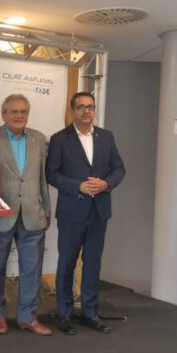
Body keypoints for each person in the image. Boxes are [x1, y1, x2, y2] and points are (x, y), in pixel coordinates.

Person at [46, 92, 125, 335]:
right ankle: (64, 313)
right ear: (72, 110)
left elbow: (119, 169)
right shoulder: (60, 139)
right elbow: (52, 174)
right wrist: (77, 186)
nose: (86, 111)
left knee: (93, 264)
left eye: (90, 107)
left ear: (94, 109)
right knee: (67, 263)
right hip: (72, 211)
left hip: (99, 212)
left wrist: (106, 184)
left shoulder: (106, 137)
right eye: (80, 107)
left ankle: (90, 312)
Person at [0, 94, 52, 336]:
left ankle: (28, 316)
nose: (19, 116)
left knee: (32, 268)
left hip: (32, 213)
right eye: (14, 111)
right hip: (0, 213)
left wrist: (47, 209)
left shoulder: (38, 138)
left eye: (23, 111)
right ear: (4, 114)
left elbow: (42, 178)